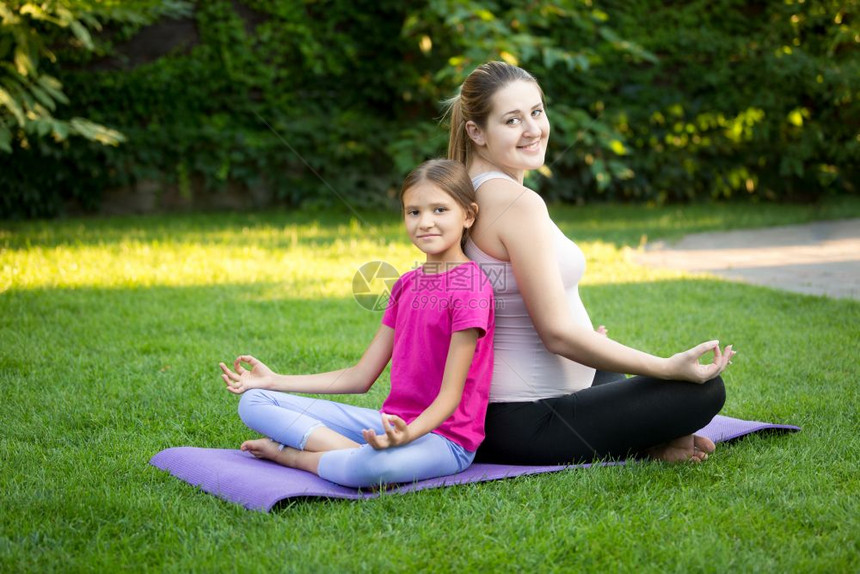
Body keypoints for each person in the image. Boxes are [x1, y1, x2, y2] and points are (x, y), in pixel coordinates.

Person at [445, 61, 735, 465]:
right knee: (701, 390)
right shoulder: (514, 203)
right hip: (525, 419)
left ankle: (655, 441)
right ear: (476, 132)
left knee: (611, 368)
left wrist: (591, 343)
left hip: (542, 397)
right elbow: (557, 336)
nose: (533, 129)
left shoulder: (473, 191)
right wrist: (667, 368)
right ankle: (655, 437)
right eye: (512, 120)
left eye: (537, 112)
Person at [218, 159, 495, 488]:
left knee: (368, 471)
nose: (425, 223)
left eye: (439, 210)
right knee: (254, 402)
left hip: (445, 440)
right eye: (414, 212)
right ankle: (360, 454)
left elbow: (450, 398)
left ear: (468, 215)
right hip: (390, 424)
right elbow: (361, 376)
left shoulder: (472, 288)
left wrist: (406, 437)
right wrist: (275, 380)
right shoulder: (406, 284)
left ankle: (293, 456)